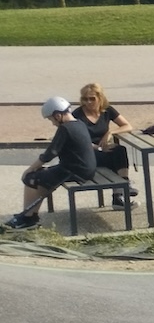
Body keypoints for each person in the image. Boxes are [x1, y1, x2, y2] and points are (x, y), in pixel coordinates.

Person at [7, 96, 97, 230]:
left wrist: (29, 169)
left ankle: (27, 218)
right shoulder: (79, 123)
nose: (52, 123)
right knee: (42, 175)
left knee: (31, 177)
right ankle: (31, 214)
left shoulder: (65, 128)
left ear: (58, 115)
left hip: (73, 171)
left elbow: (49, 154)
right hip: (84, 168)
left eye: (51, 119)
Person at [73, 82, 135, 208]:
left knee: (120, 150)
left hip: (103, 149)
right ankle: (120, 192)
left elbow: (127, 126)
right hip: (86, 152)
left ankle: (122, 189)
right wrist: (96, 147)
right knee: (112, 156)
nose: (89, 102)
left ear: (100, 98)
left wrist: (110, 132)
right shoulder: (77, 115)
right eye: (85, 99)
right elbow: (75, 139)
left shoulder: (107, 110)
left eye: (92, 99)